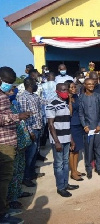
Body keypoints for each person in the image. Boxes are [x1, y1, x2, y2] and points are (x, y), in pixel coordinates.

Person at [0, 67, 30, 224]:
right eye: (8, 82)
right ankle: (2, 214)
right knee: (4, 178)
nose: (10, 86)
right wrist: (17, 116)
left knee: (7, 177)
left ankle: (4, 207)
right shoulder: (2, 97)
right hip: (3, 143)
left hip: (9, 141)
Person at [46, 83, 78, 197]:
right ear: (57, 91)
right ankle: (60, 187)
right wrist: (57, 141)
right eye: (62, 90)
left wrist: (71, 140)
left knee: (65, 163)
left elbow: (67, 124)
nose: (65, 92)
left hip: (66, 138)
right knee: (58, 164)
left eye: (66, 89)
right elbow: (50, 125)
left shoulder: (65, 104)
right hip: (58, 140)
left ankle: (65, 184)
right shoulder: (51, 105)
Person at [6, 89, 33, 210]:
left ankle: (18, 192)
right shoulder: (4, 109)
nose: (12, 92)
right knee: (13, 173)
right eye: (10, 91)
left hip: (22, 144)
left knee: (20, 169)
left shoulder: (13, 105)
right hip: (13, 144)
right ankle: (12, 199)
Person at [17, 78, 45, 187]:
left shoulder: (34, 95)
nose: (36, 85)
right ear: (29, 84)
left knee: (34, 153)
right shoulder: (23, 97)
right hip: (31, 129)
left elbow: (43, 102)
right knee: (29, 154)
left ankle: (32, 173)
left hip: (38, 127)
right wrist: (29, 131)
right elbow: (24, 116)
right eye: (34, 83)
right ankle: (26, 177)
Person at [79, 78, 100, 179]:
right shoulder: (81, 98)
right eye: (88, 84)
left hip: (98, 127)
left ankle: (98, 167)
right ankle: (89, 168)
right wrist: (85, 126)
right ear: (85, 85)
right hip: (87, 129)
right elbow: (81, 114)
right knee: (88, 149)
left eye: (92, 84)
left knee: (98, 148)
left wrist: (99, 125)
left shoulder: (98, 96)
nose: (91, 86)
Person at [65, 81, 85, 181]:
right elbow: (70, 113)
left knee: (77, 149)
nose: (74, 89)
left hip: (78, 125)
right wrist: (69, 99)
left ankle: (76, 170)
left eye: (74, 87)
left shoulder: (77, 97)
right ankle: (72, 172)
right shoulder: (65, 99)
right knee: (72, 150)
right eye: (72, 87)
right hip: (71, 125)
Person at [40, 72, 57, 148]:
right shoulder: (57, 85)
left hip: (45, 107)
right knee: (55, 124)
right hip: (55, 107)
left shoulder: (42, 86)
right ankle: (56, 139)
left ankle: (43, 143)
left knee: (46, 126)